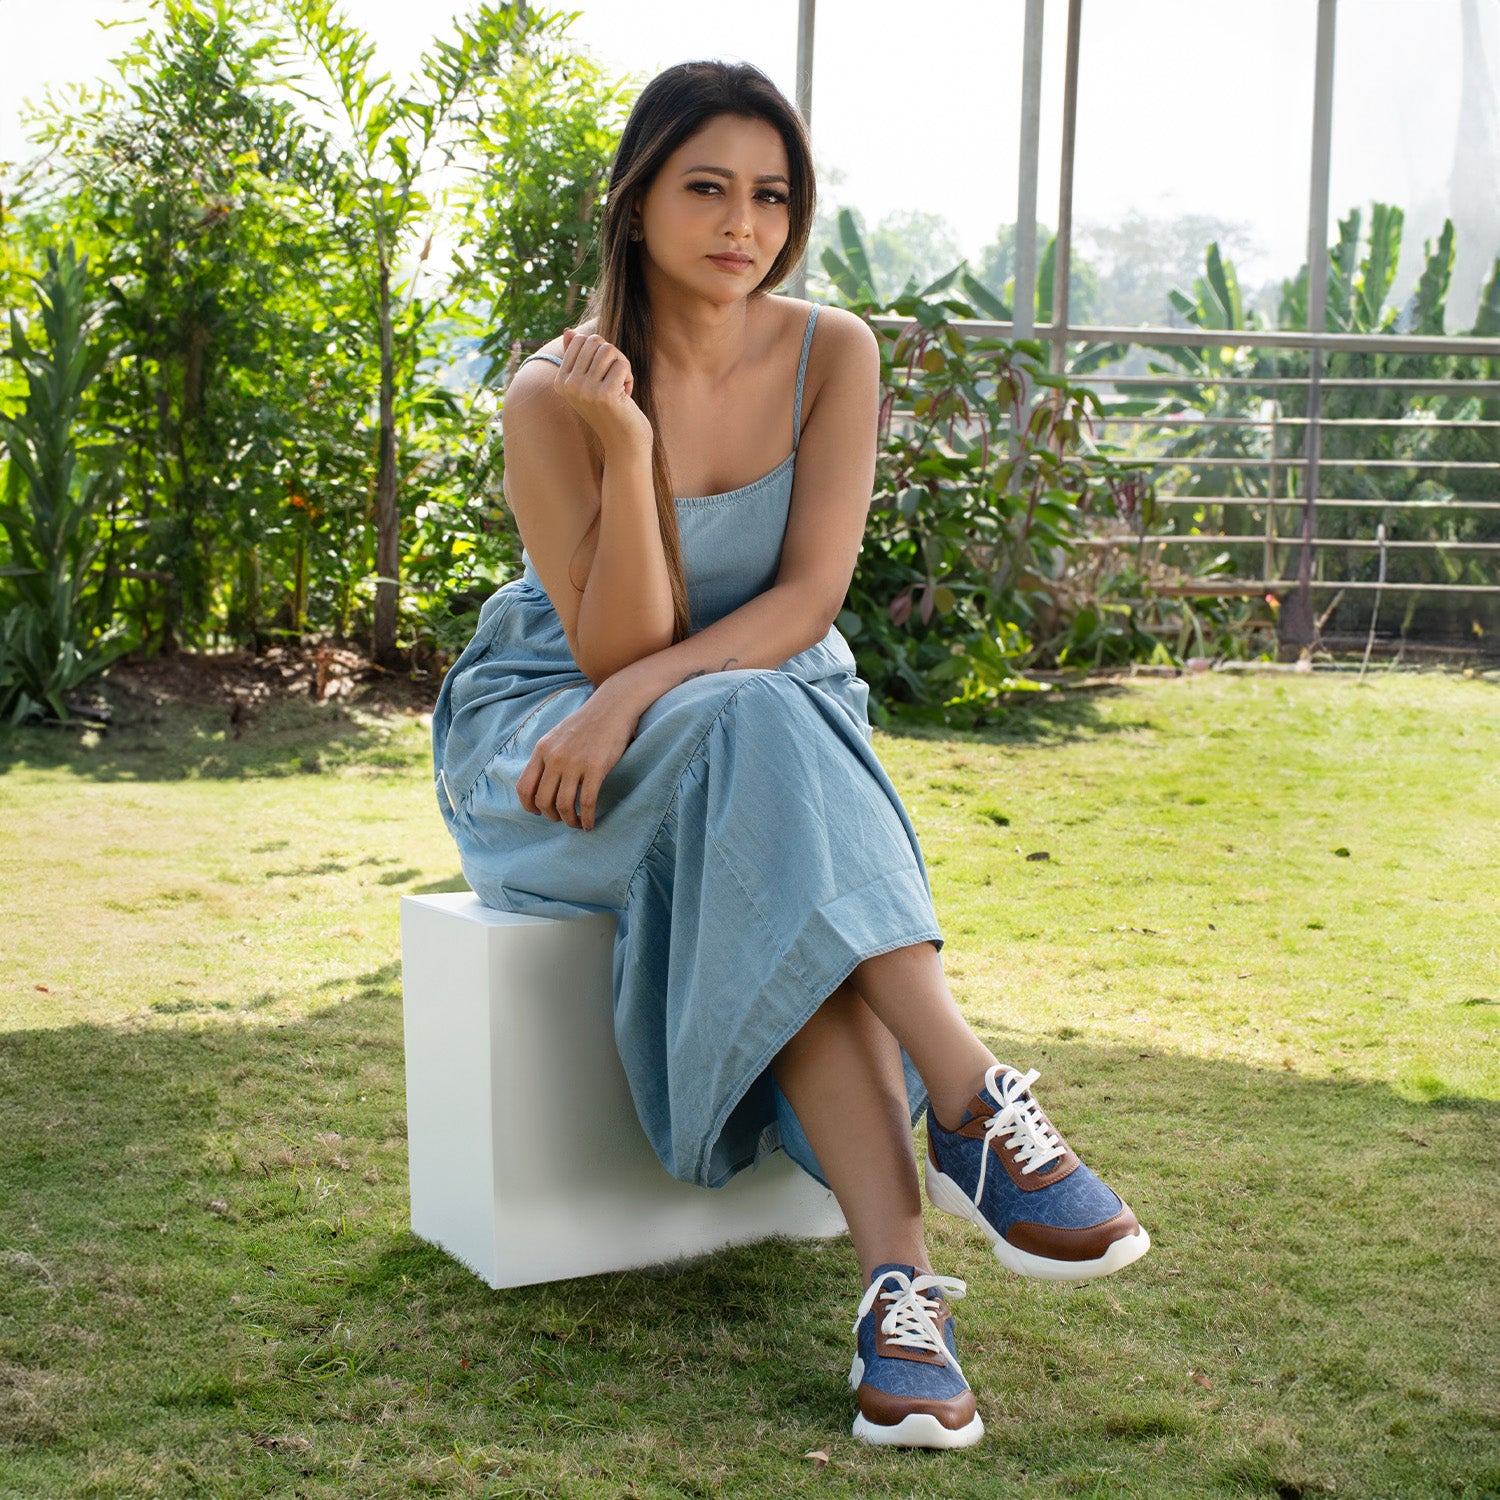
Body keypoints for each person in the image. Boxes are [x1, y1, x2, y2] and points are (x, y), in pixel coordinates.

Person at [431, 59, 1149, 1451]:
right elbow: (612, 644)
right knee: (765, 758)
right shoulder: (552, 393)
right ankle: (973, 1102)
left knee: (777, 823)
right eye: (707, 188)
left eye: (771, 196)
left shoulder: (834, 351)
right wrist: (625, 445)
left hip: (743, 703)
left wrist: (646, 693)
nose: (742, 224)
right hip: (557, 734)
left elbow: (809, 598)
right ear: (637, 201)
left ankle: (900, 1294)